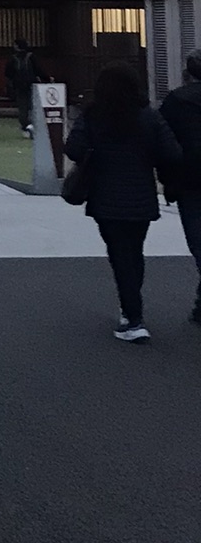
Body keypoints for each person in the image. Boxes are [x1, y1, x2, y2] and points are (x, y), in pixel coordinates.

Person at [65, 64, 181, 340]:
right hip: (141, 195)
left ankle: (133, 317)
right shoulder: (149, 117)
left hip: (105, 196)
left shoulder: (93, 117)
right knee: (134, 252)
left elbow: (73, 149)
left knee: (119, 255)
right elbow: (173, 153)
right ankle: (131, 309)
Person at [158, 50, 201, 325]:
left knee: (197, 237)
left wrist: (167, 178)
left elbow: (164, 143)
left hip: (190, 178)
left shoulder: (175, 101)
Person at [6, 38, 42, 134]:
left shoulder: (13, 58)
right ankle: (34, 125)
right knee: (33, 106)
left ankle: (25, 125)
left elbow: (8, 73)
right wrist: (46, 78)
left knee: (22, 107)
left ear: (17, 46)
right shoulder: (31, 57)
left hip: (19, 86)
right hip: (32, 85)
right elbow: (38, 70)